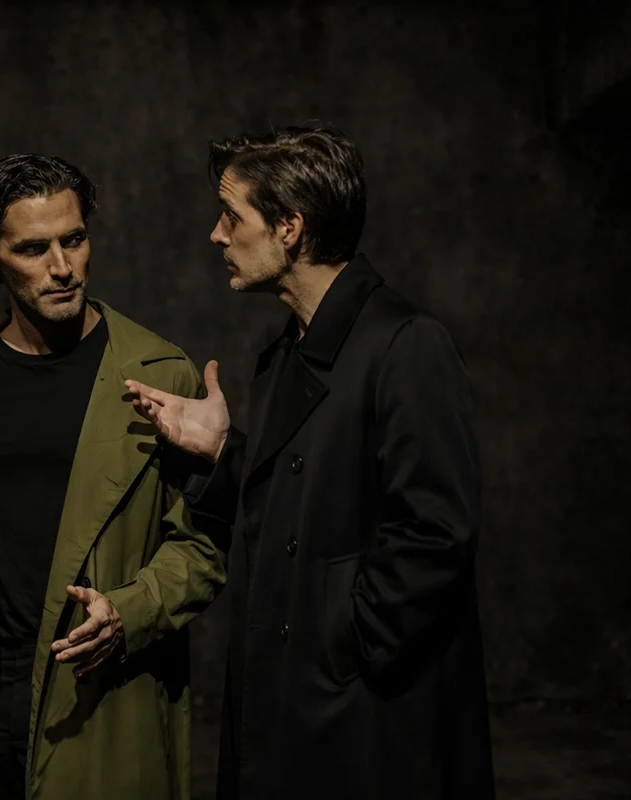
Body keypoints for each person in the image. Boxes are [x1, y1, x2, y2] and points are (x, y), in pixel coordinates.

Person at [125, 126, 495, 799]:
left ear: (289, 229)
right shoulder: (283, 357)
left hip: (363, 711)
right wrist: (222, 453)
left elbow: (436, 532)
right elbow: (300, 505)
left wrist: (345, 640)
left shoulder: (407, 343)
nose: (216, 235)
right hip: (296, 698)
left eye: (232, 216)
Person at [0, 154, 227, 799]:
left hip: (95, 702)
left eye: (74, 239)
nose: (62, 267)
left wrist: (127, 612)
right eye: (33, 248)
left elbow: (202, 543)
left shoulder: (160, 375)